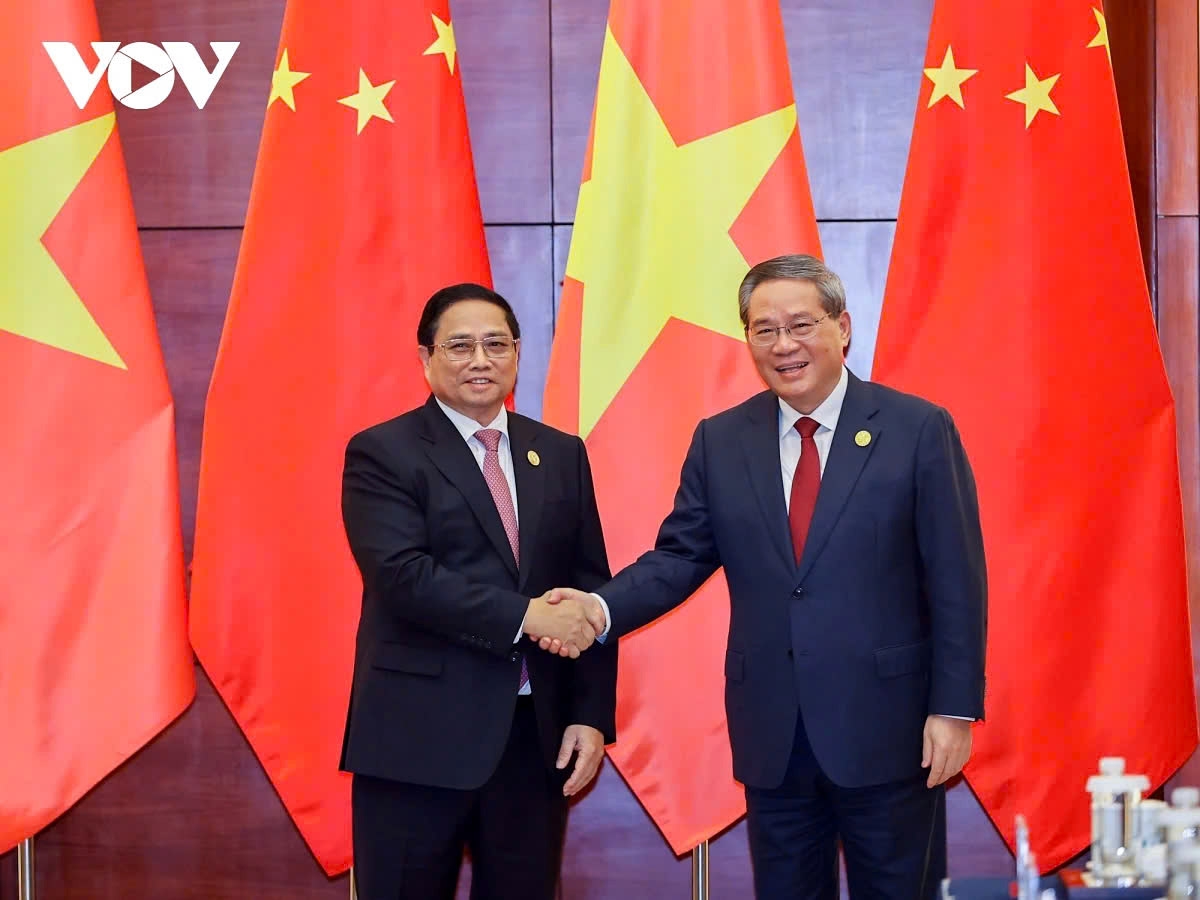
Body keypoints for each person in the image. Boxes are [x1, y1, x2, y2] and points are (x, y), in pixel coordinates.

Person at [541, 255, 987, 899]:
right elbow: (678, 558)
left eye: (801, 325)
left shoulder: (917, 429)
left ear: (843, 327)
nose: (783, 345)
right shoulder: (722, 440)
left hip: (892, 729)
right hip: (773, 733)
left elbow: (957, 579)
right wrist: (596, 609)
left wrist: (953, 707)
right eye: (763, 329)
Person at [339, 283, 617, 900]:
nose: (480, 360)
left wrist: (590, 715)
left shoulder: (560, 453)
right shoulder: (384, 452)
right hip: (418, 738)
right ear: (426, 357)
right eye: (460, 346)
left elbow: (590, 588)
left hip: (532, 736)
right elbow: (402, 576)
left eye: (496, 344)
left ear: (518, 354)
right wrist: (527, 617)